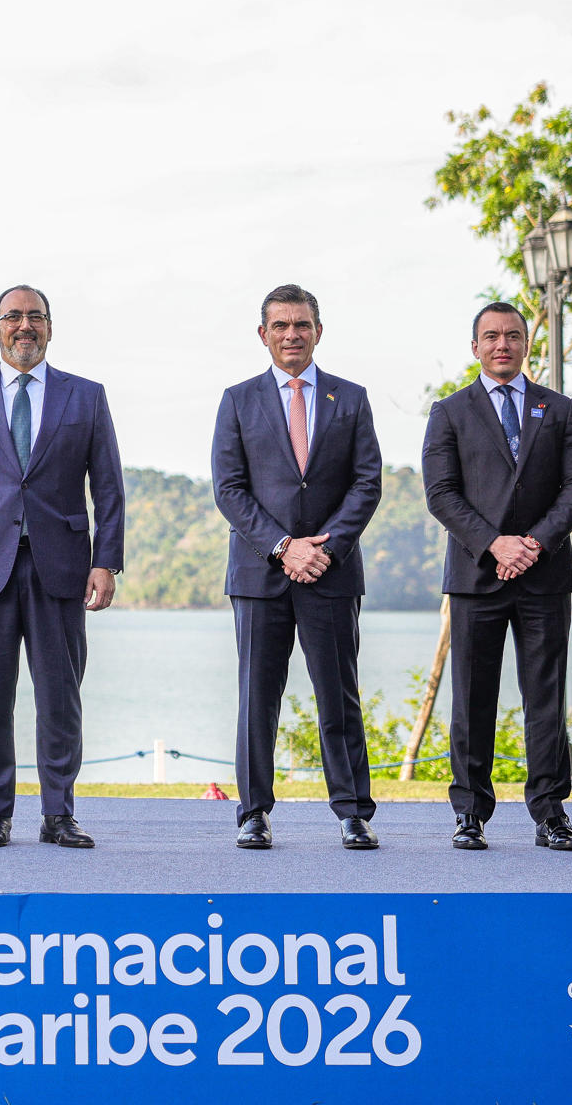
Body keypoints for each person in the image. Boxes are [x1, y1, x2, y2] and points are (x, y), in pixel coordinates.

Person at [0, 285, 124, 849]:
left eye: (35, 316)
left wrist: (106, 562)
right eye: (13, 317)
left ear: (50, 328)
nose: (24, 326)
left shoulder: (86, 396)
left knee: (60, 699)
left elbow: (108, 487)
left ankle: (59, 814)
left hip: (62, 567)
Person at [211, 284, 381, 851]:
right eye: (280, 325)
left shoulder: (350, 398)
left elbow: (367, 483)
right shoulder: (238, 400)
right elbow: (229, 489)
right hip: (259, 576)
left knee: (339, 697)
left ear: (318, 331)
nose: (292, 334)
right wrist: (284, 547)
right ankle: (253, 813)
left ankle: (352, 812)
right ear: (263, 334)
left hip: (332, 572)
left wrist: (323, 550)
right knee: (257, 700)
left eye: (301, 324)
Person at [422, 302, 572, 852]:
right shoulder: (449, 412)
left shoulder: (560, 409)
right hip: (476, 577)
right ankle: (469, 813)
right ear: (475, 347)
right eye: (492, 336)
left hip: (545, 576)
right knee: (472, 700)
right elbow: (440, 493)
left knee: (546, 698)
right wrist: (495, 543)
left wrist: (534, 543)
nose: (503, 344)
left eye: (513, 336)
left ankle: (551, 813)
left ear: (526, 344)